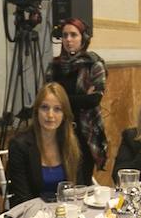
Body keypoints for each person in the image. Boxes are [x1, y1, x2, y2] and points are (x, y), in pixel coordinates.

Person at [6, 82, 95, 205]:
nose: (50, 115)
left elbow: (79, 190)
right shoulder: (19, 146)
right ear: (36, 111)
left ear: (64, 115)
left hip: (67, 214)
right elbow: (22, 198)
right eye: (45, 108)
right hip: (32, 217)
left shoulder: (72, 143)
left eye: (57, 109)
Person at [44, 17, 108, 171]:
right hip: (57, 128)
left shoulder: (94, 64)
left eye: (73, 35)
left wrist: (61, 99)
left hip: (84, 129)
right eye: (65, 35)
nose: (68, 39)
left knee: (82, 180)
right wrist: (80, 99)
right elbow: (47, 97)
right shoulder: (55, 65)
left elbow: (94, 100)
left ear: (83, 38)